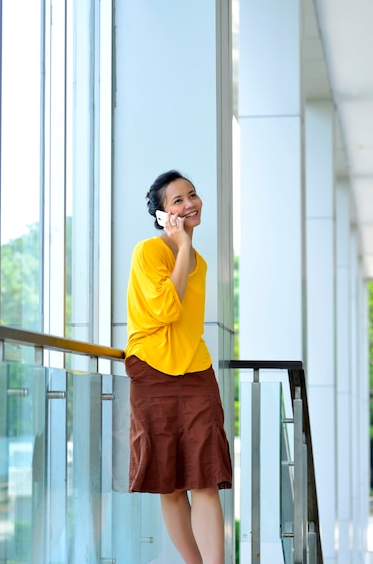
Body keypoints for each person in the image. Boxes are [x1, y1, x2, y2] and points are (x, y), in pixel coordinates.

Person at [125, 170, 232, 564]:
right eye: (177, 201)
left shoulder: (198, 263)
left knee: (205, 477)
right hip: (152, 371)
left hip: (195, 372)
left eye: (193, 195)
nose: (190, 204)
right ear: (161, 215)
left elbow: (185, 322)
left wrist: (186, 248)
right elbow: (168, 309)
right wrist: (182, 246)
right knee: (169, 484)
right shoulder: (149, 252)